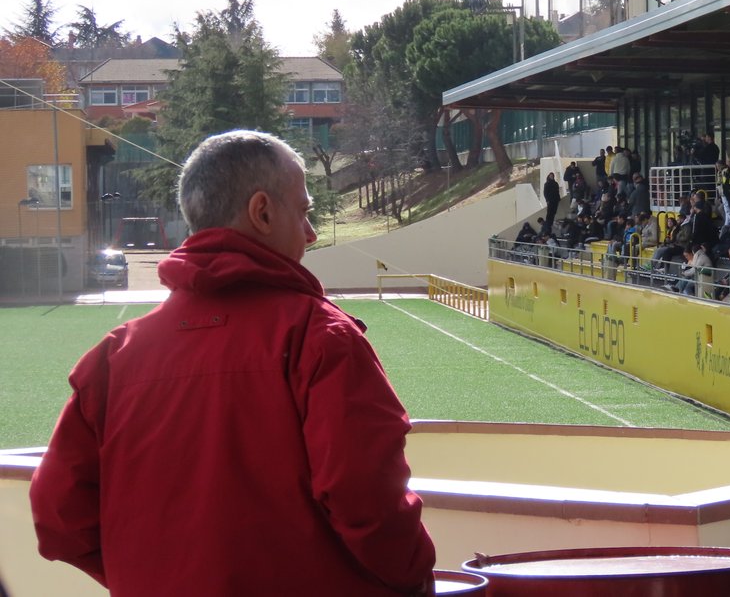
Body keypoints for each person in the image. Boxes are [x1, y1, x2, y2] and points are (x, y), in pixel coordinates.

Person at [30, 130, 436, 596]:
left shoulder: (114, 355)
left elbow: (58, 515)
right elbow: (368, 501)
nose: (311, 233)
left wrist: (148, 573)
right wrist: (415, 578)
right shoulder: (321, 337)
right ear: (262, 212)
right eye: (303, 212)